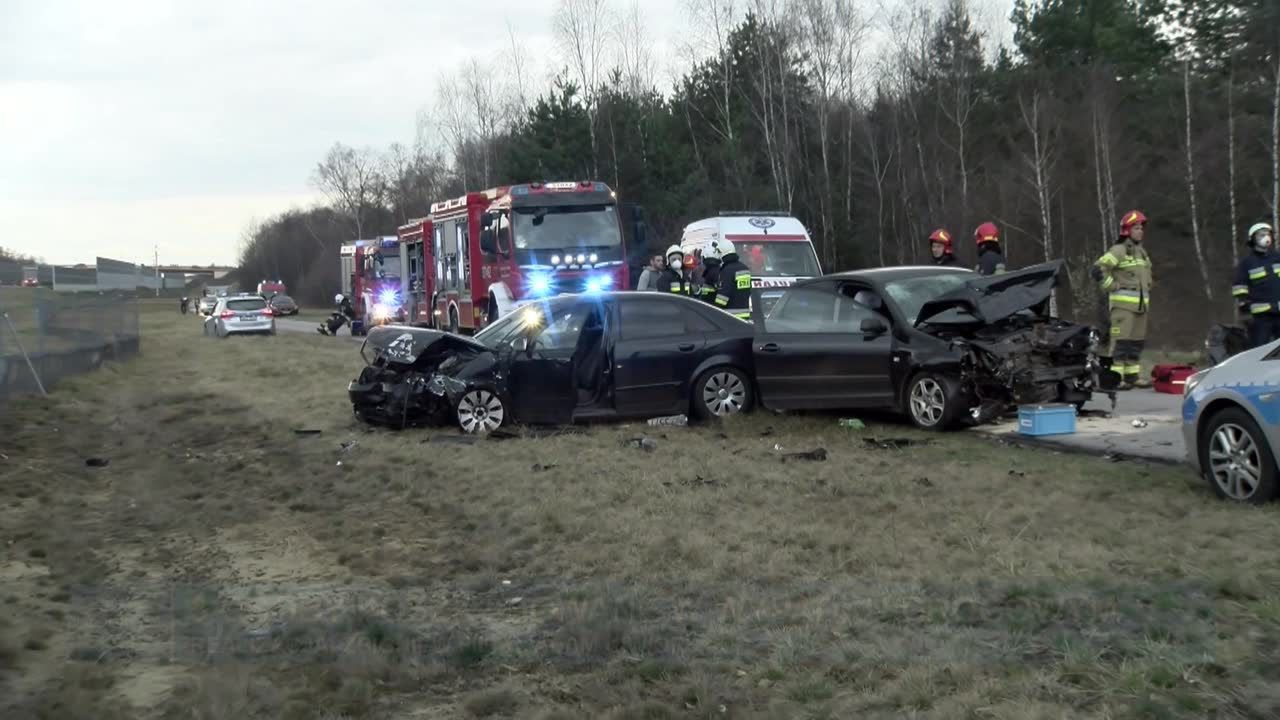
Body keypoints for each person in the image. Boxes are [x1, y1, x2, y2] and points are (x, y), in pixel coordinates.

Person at [1091, 209, 1153, 390]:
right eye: (1136, 228)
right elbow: (1098, 269)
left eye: (1141, 228)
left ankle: (1132, 377)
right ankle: (1116, 378)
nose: (1140, 231)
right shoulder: (1118, 250)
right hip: (1122, 308)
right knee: (1120, 344)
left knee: (1135, 344)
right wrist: (1111, 285)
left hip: (1141, 308)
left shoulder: (1142, 253)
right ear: (1127, 230)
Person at [1233, 222, 1280, 348]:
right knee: (1259, 350)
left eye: (1268, 234)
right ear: (1253, 239)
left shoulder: (1278, 258)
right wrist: (1244, 304)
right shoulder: (1247, 263)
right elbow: (1239, 286)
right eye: (1261, 235)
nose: (1266, 237)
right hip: (1261, 317)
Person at [710, 238, 752, 320]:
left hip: (730, 317)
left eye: (719, 253)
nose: (718, 256)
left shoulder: (727, 270)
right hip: (745, 316)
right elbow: (748, 291)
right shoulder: (744, 268)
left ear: (723, 253)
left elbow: (722, 298)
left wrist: (712, 310)